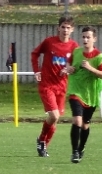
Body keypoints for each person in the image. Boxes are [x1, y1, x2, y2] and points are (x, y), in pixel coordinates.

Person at [31, 14, 78, 157]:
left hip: (62, 87)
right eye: (63, 27)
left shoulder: (74, 46)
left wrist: (69, 69)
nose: (65, 30)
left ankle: (43, 144)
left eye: (68, 28)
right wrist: (37, 71)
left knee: (55, 120)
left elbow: (75, 66)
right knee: (54, 116)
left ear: (72, 30)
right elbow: (35, 54)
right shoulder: (49, 42)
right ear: (58, 28)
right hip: (47, 85)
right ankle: (41, 140)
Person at [65, 26, 102, 163]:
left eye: (88, 37)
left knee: (85, 125)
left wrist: (90, 68)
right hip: (75, 91)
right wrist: (68, 69)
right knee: (77, 120)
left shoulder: (101, 58)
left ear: (94, 39)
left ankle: (81, 148)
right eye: (83, 37)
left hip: (91, 95)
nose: (85, 39)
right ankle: (74, 152)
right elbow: (67, 65)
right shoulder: (76, 52)